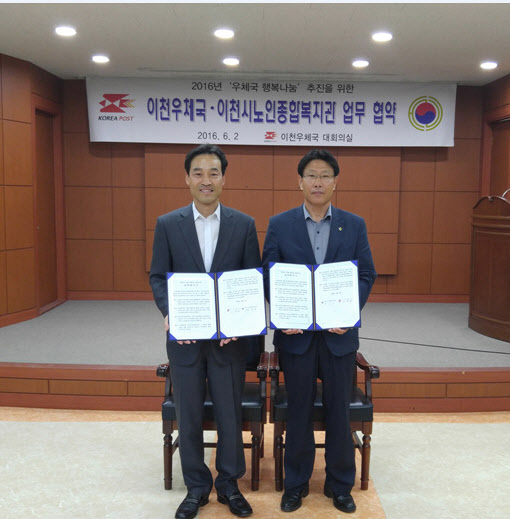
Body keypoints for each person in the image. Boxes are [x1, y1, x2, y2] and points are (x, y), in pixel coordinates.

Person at [262, 149, 376, 514]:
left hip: (339, 336)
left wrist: (349, 311)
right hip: (296, 337)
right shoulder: (280, 224)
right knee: (298, 410)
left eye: (325, 175)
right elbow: (269, 274)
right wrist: (283, 313)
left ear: (335, 182)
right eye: (311, 175)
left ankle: (340, 485)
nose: (318, 182)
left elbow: (366, 274)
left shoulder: (353, 224)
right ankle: (296, 484)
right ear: (299, 182)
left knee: (338, 411)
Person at [150, 144, 260, 519]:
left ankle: (229, 485)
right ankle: (196, 488)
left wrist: (240, 320)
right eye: (198, 172)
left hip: (229, 342)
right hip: (185, 340)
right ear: (187, 178)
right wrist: (169, 313)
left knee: (230, 415)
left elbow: (251, 279)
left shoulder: (243, 224)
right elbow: (158, 276)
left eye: (214, 172)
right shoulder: (168, 224)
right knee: (189, 416)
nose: (206, 180)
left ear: (224, 179)